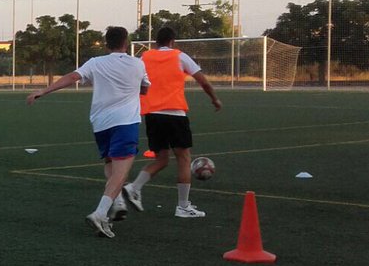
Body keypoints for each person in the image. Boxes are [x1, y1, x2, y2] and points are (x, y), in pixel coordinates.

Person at [26, 26, 150, 238]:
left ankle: (118, 201)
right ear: (126, 43)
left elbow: (72, 76)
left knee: (110, 163)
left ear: (106, 44)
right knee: (122, 171)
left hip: (101, 123)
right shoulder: (137, 63)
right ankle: (100, 214)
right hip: (126, 122)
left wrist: (44, 91)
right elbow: (145, 88)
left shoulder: (95, 62)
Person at [122, 26, 222, 217]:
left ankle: (134, 187)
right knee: (183, 158)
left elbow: (134, 82)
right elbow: (203, 81)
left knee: (161, 159)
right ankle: (183, 206)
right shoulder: (179, 56)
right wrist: (215, 99)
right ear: (172, 42)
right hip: (174, 114)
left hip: (152, 115)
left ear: (156, 42)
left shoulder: (145, 58)